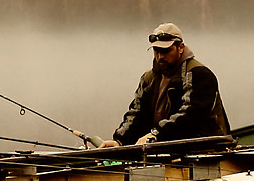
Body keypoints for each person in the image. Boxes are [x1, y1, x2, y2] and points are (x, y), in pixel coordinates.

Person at [97, 23, 230, 147]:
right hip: (165, 148)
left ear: (181, 48)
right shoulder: (148, 78)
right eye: (156, 50)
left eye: (166, 51)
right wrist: (120, 141)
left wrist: (156, 134)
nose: (160, 56)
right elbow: (137, 114)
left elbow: (191, 116)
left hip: (207, 149)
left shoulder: (199, 74)